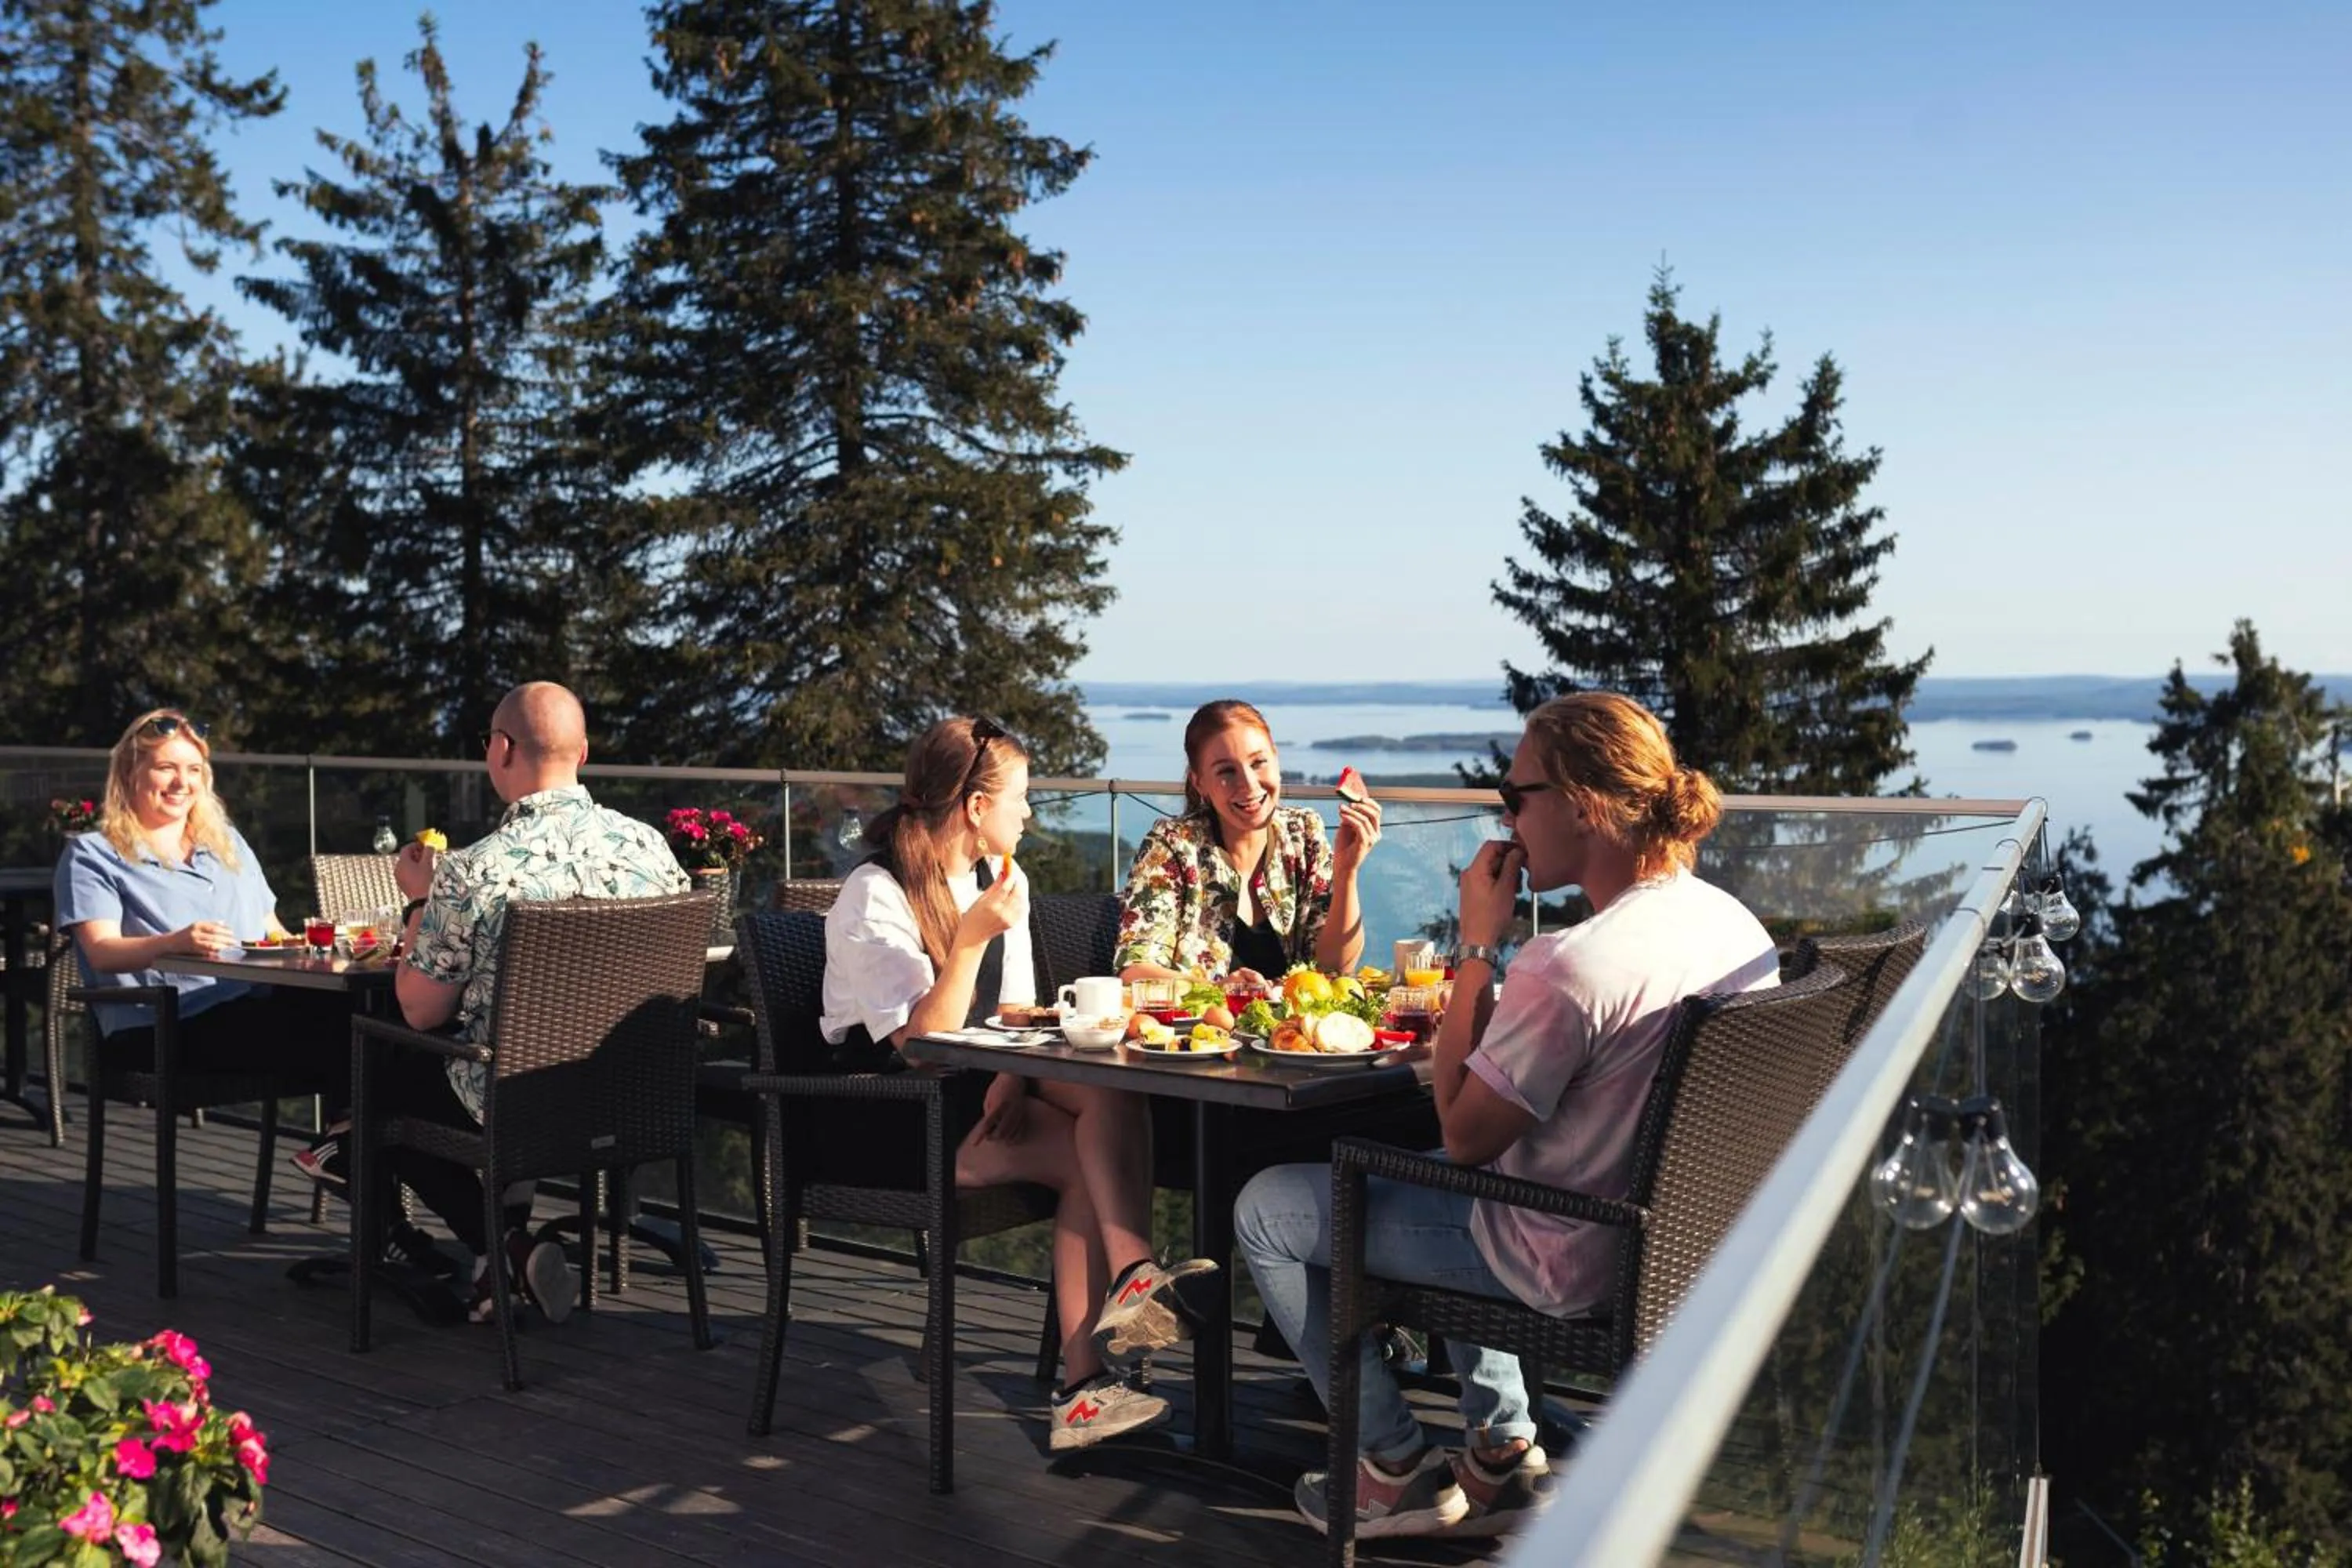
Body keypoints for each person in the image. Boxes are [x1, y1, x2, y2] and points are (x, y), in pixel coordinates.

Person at [1233, 691, 1780, 1540]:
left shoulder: (1570, 965)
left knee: (1268, 1206)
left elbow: (1463, 1130)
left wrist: (1480, 945)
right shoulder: (1732, 925)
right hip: (1675, 1246)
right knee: (1437, 1167)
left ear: (1585, 805)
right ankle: (1500, 1454)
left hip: (1565, 1253)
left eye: (1516, 796)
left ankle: (1393, 1466)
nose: (1508, 816)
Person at [820, 716, 1217, 1453]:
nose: (1030, 813)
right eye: (1022, 797)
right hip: (890, 1120)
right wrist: (969, 939)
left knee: (1112, 1090)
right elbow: (919, 1047)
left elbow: (1016, 1014)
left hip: (975, 1094)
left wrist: (1012, 1075)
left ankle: (1122, 1305)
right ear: (975, 807)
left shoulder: (1003, 880)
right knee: (1086, 1161)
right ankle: (1086, 1384)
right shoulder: (875, 896)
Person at [385, 681, 691, 1323]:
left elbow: (421, 1011)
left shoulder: (474, 870)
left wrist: (419, 899)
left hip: (518, 1098)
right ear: (582, 753)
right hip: (634, 1093)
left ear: (500, 750)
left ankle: (500, 1247)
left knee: (379, 1082)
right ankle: (498, 1262)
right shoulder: (650, 848)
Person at [53, 709, 349, 1109]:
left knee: (373, 1018)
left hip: (249, 1009)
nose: (182, 782)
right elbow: (101, 952)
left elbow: (273, 932)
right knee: (349, 1035)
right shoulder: (93, 854)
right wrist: (176, 943)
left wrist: (325, 946)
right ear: (130, 773)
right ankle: (349, 1148)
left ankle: (346, 1146)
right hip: (160, 1026)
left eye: (194, 769)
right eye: (166, 768)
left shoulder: (226, 843)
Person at [1116, 699, 1381, 987]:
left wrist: (1346, 874)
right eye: (1226, 771)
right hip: (1197, 1031)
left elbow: (1333, 969)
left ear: (1277, 760)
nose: (1250, 785)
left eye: (1258, 763)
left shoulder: (1303, 833)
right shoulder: (1172, 847)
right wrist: (1219, 992)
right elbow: (1135, 972)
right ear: (1200, 783)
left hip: (1293, 1031)